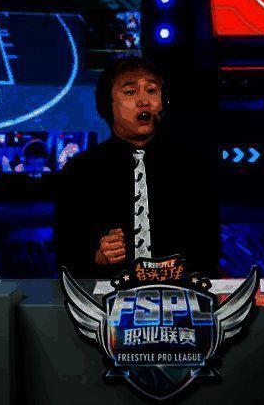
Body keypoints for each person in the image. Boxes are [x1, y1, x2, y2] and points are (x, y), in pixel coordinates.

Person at [54, 56, 219, 278]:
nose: (144, 101)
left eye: (151, 91)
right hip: (105, 293)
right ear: (107, 105)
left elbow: (209, 250)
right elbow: (65, 253)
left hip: (179, 291)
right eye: (130, 92)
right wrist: (97, 257)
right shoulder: (80, 171)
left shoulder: (192, 168)